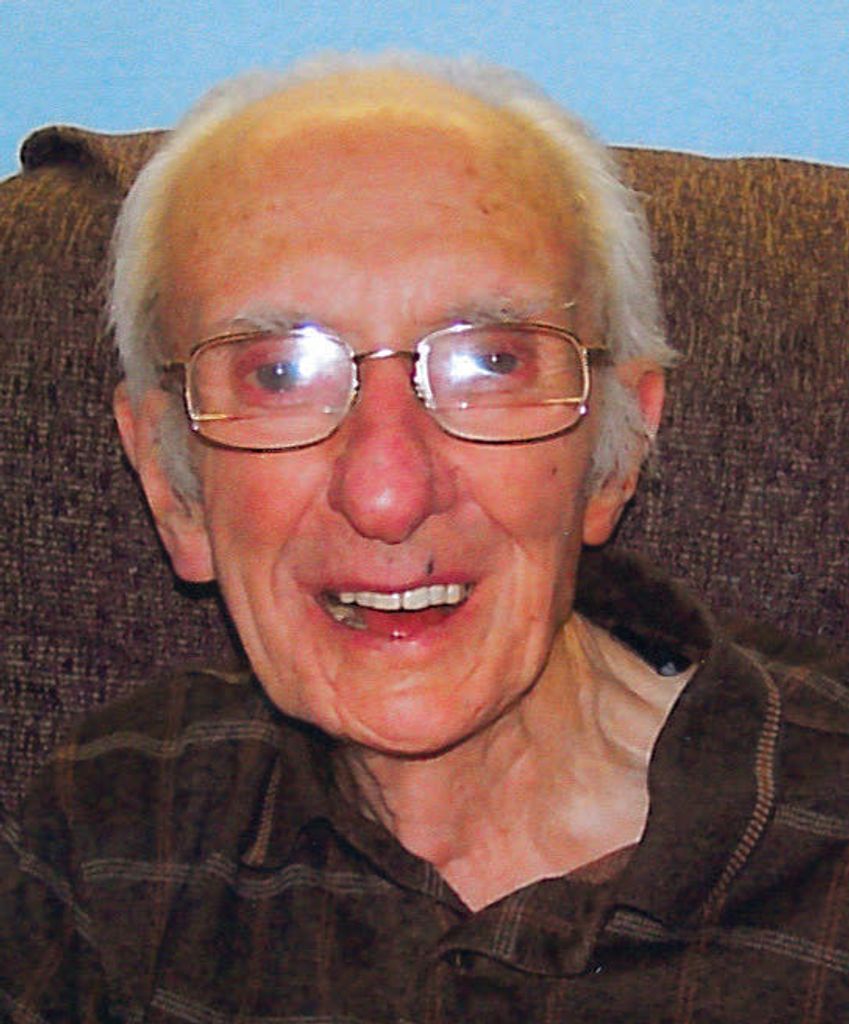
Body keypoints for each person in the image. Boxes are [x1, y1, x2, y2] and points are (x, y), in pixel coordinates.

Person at [2, 53, 847, 1023]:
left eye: (490, 361)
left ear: (617, 454)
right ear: (172, 486)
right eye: (279, 373)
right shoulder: (117, 824)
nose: (387, 494)